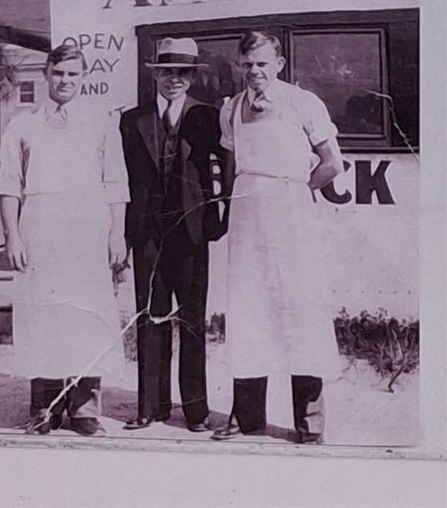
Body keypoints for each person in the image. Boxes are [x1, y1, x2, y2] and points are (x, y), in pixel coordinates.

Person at [211, 31, 343, 444]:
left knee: (300, 311)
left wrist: (296, 192)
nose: (255, 72)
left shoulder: (304, 102)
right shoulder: (231, 108)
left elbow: (332, 164)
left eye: (263, 64)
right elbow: (234, 166)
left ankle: (309, 422)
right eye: (247, 65)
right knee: (248, 309)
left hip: (292, 213)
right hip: (248, 215)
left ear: (280, 65)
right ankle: (247, 417)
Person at [0, 44, 129, 436]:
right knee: (44, 315)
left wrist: (117, 233)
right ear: (46, 75)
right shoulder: (22, 125)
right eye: (58, 73)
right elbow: (8, 185)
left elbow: (116, 182)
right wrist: (12, 235)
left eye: (73, 74)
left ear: (82, 77)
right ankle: (45, 406)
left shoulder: (100, 123)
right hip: (40, 230)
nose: (65, 81)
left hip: (87, 229)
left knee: (85, 315)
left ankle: (85, 408)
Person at [120, 37, 232, 432]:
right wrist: (124, 232)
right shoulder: (132, 119)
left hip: (192, 229)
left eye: (182, 73)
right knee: (150, 317)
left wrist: (222, 215)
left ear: (191, 77)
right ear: (157, 76)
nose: (173, 80)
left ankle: (197, 412)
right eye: (167, 72)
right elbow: (123, 179)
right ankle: (151, 406)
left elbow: (227, 165)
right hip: (148, 230)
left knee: (192, 320)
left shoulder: (208, 115)